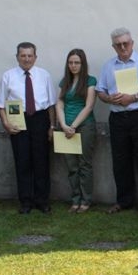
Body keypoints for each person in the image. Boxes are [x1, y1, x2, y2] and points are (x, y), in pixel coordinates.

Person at [96, 27, 138, 218]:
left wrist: (133, 97)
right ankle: (124, 200)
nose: (123, 47)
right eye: (118, 45)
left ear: (132, 43)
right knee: (120, 160)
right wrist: (109, 98)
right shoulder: (108, 66)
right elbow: (100, 91)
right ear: (113, 47)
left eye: (126, 43)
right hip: (117, 118)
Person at [0, 42, 57, 214]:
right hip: (18, 121)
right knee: (22, 162)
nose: (26, 59)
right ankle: (25, 201)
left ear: (35, 57)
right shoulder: (8, 76)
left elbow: (51, 104)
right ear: (17, 57)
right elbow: (1, 105)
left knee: (41, 162)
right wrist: (6, 124)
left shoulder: (44, 75)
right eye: (23, 55)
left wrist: (52, 126)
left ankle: (42, 201)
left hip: (40, 119)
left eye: (30, 55)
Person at [56, 49, 97, 213]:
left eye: (77, 62)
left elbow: (89, 106)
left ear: (83, 64)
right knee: (71, 166)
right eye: (71, 62)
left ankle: (86, 200)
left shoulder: (90, 80)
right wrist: (63, 125)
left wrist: (73, 126)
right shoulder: (64, 81)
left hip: (84, 126)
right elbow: (59, 104)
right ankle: (75, 199)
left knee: (84, 164)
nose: (73, 65)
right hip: (65, 128)